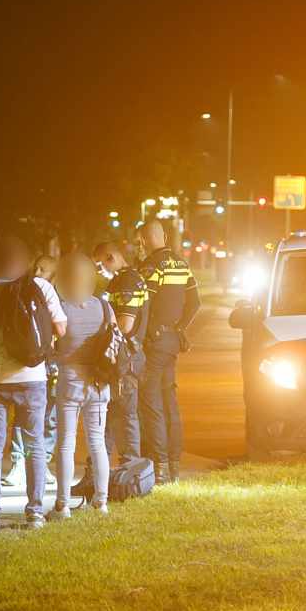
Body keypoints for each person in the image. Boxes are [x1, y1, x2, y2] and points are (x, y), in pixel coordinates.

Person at [0, 236, 68, 530]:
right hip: (33, 378)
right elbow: (61, 328)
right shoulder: (43, 288)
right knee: (35, 445)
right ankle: (34, 512)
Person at [135, 219, 200, 485]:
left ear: (145, 239)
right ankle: (173, 465)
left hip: (155, 344)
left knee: (151, 405)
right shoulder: (181, 264)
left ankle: (159, 466)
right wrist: (179, 328)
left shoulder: (151, 267)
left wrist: (146, 335)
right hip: (172, 341)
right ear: (163, 236)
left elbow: (144, 304)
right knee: (170, 403)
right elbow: (195, 303)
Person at [51, 253, 114, 517]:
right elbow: (113, 339)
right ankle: (101, 501)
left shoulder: (61, 308)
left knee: (66, 444)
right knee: (97, 442)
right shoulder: (103, 306)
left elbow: (52, 343)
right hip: (99, 382)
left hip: (70, 380)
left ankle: (62, 504)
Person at [5, 255, 60, 487]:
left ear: (54, 276)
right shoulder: (21, 293)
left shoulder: (55, 296)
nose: (38, 272)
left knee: (49, 416)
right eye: (36, 266)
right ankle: (19, 463)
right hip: (31, 366)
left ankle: (42, 463)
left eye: (43, 269)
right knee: (23, 414)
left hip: (52, 365)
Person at [94, 240, 147, 463]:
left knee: (125, 417)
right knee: (107, 416)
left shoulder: (126, 282)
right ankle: (99, 472)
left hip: (125, 358)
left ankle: (131, 471)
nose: (99, 271)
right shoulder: (122, 279)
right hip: (120, 357)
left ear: (111, 258)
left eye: (99, 265)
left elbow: (125, 325)